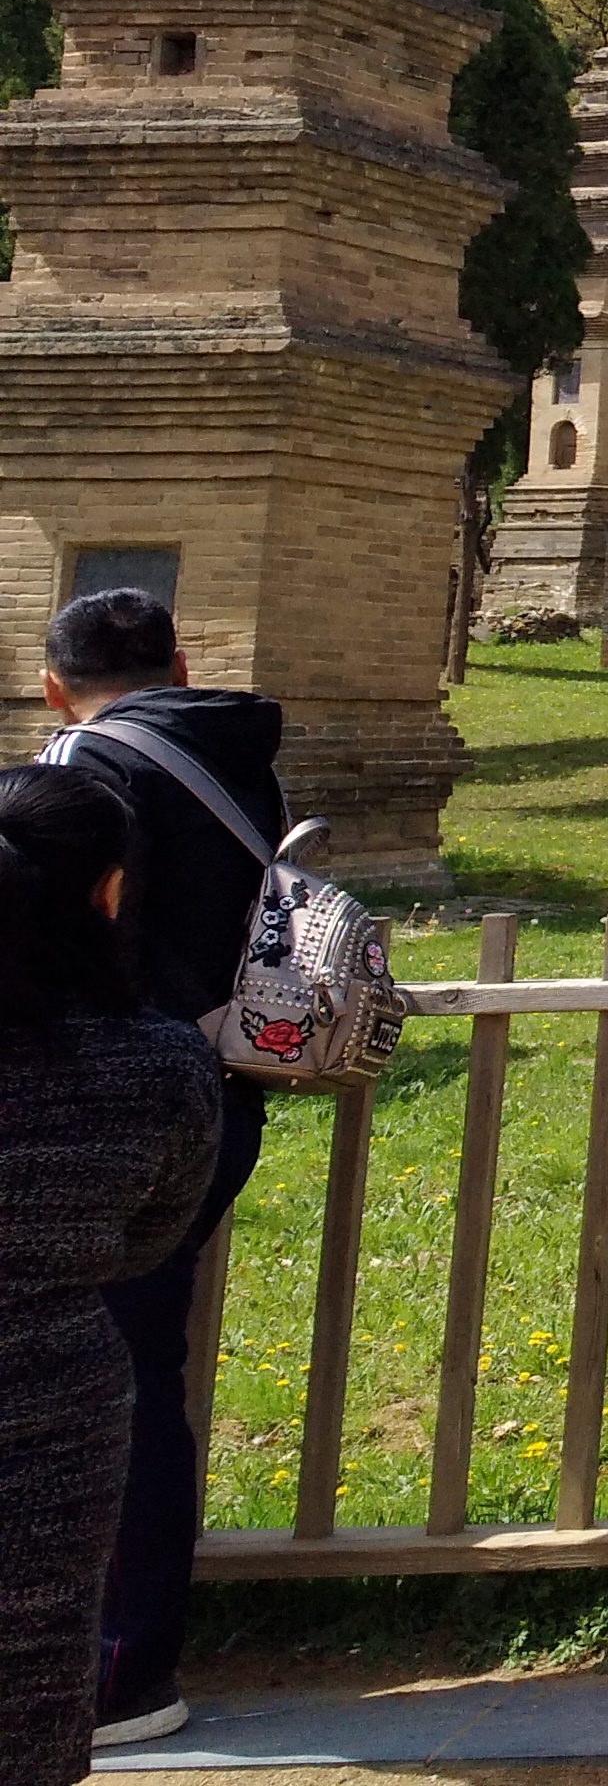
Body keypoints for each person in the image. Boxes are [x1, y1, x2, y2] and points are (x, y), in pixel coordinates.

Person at [28, 590, 281, 1749]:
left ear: (48, 681)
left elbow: (87, 933)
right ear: (180, 660)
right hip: (204, 1089)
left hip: (91, 1099)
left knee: (83, 1378)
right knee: (136, 1367)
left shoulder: (84, 761)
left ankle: (114, 1663)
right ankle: (126, 1651)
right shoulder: (228, 753)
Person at [0, 763, 222, 1786]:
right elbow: (147, 1236)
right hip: (57, 1399)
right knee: (31, 1686)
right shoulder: (161, 1067)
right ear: (109, 890)